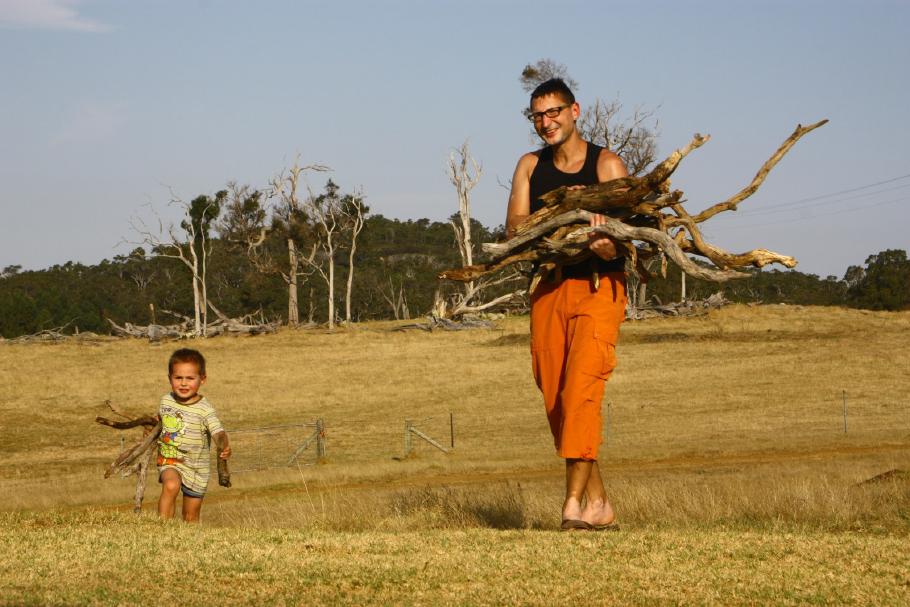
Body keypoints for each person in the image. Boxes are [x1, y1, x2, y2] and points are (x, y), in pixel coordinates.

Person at [506, 78, 628, 531]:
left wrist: (607, 246)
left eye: (554, 112)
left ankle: (572, 506)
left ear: (575, 111)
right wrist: (564, 225)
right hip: (549, 288)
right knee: (556, 397)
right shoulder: (529, 166)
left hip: (599, 288)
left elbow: (628, 241)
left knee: (581, 392)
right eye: (538, 115)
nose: (546, 122)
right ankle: (599, 504)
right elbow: (515, 227)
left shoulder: (608, 165)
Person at [157, 348, 231, 522]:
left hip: (197, 468)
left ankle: (187, 544)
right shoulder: (166, 400)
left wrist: (224, 446)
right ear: (170, 378)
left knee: (190, 517)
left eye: (190, 378)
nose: (183, 383)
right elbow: (159, 422)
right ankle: (160, 530)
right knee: (171, 485)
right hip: (170, 460)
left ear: (202, 379)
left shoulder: (205, 410)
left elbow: (218, 432)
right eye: (178, 378)